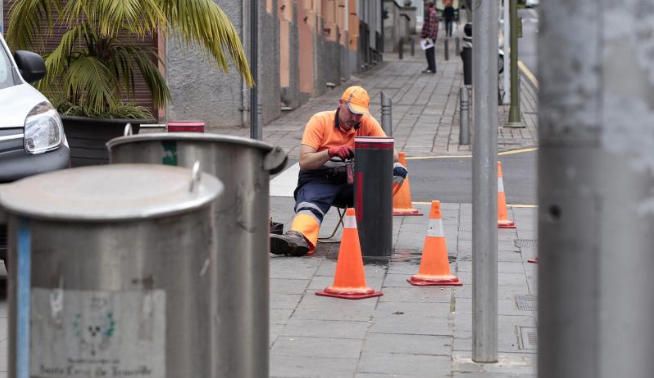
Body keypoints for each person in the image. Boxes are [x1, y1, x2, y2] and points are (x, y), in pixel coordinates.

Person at [270, 86, 408, 257]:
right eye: (351, 112)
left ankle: (371, 234)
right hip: (319, 178)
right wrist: (330, 152)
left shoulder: (366, 122)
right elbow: (305, 162)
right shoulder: (319, 121)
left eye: (359, 114)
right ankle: (298, 238)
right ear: (341, 104)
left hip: (353, 182)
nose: (354, 118)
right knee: (311, 204)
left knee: (397, 170)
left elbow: (391, 154)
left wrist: (362, 148)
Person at [421, 2, 439, 74]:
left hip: (430, 36)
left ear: (428, 6)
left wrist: (428, 36)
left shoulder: (431, 13)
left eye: (425, 6)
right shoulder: (433, 12)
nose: (424, 7)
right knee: (429, 52)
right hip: (432, 36)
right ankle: (430, 67)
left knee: (429, 52)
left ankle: (432, 68)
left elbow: (430, 25)